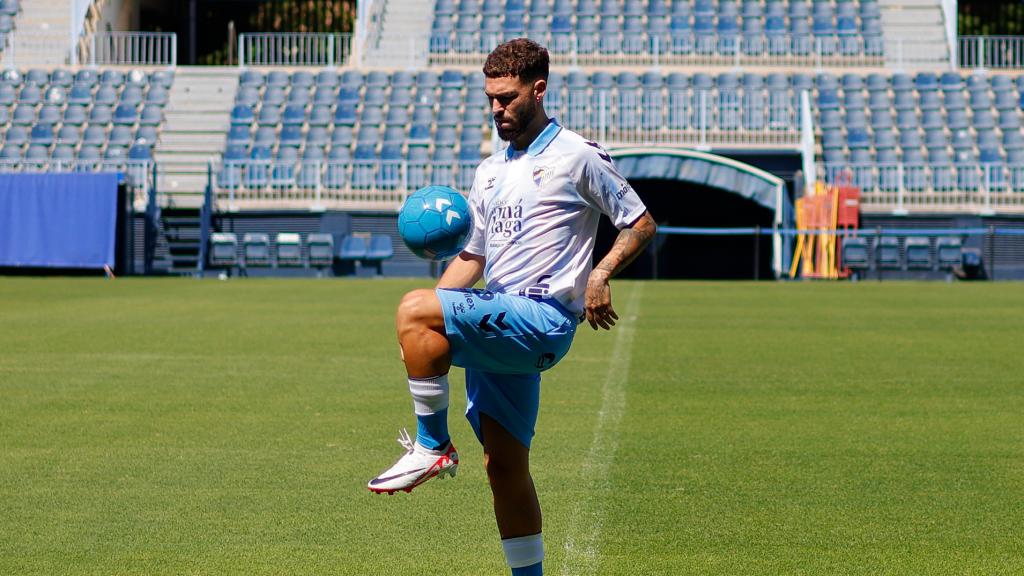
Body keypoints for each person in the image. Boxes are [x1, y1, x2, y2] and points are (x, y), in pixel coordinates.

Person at [368, 38, 657, 576]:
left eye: (507, 98)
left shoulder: (578, 155)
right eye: (490, 99)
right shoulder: (488, 172)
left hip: (543, 318)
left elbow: (640, 222)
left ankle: (433, 446)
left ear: (538, 89)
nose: (498, 109)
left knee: (416, 308)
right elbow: (473, 258)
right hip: (499, 315)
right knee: (504, 467)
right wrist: (426, 324)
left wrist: (600, 272)